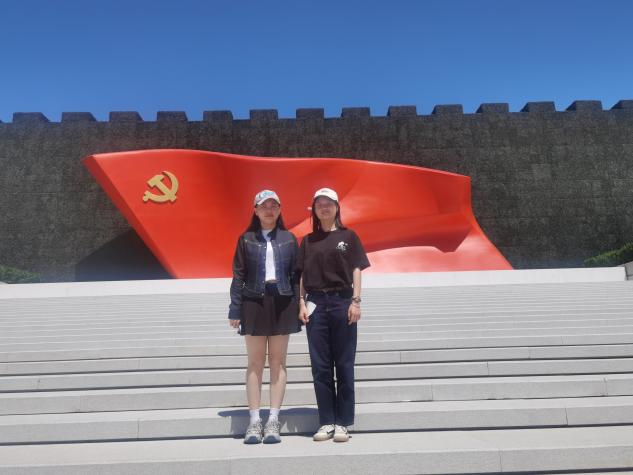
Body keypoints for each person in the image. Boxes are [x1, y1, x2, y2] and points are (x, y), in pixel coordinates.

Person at [297, 187, 370, 443]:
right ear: (314, 210)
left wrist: (356, 301)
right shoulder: (308, 241)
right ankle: (326, 421)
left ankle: (343, 422)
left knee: (344, 364)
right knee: (320, 366)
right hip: (316, 303)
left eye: (329, 203)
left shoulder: (348, 236)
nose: (324, 207)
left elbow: (357, 269)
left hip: (342, 302)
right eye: (319, 204)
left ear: (337, 207)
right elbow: (301, 275)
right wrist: (301, 303)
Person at [228, 189, 301, 444]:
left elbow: (296, 277)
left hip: (283, 301)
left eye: (273, 206)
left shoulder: (289, 239)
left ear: (279, 210)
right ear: (256, 211)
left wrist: (300, 304)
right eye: (264, 206)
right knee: (255, 363)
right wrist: (235, 308)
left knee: (278, 363)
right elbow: (238, 275)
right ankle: (254, 421)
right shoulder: (246, 239)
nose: (269, 210)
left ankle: (273, 420)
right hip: (253, 302)